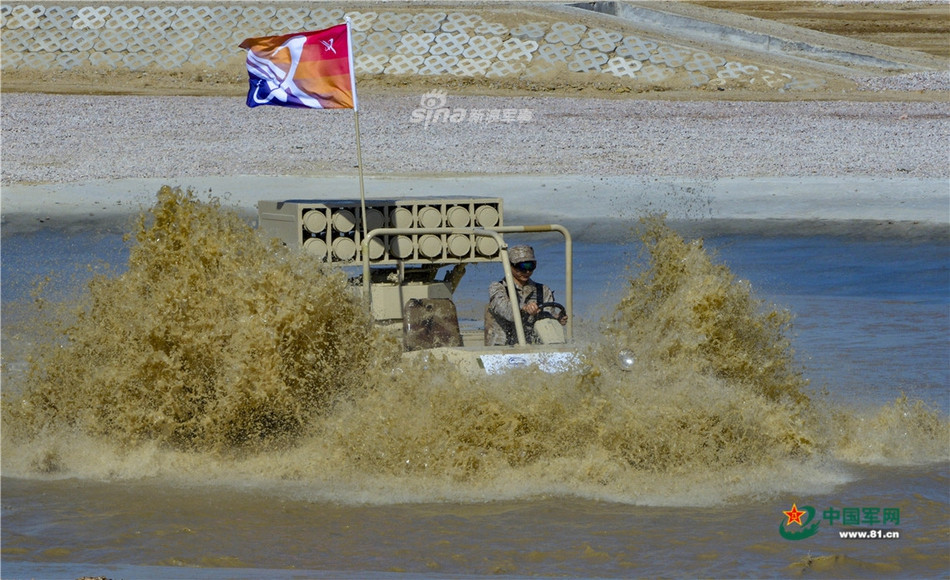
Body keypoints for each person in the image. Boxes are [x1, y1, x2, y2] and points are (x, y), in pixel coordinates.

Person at [485, 245, 568, 346]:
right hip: (502, 346)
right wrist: (524, 308)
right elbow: (505, 310)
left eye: (531, 266)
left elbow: (547, 316)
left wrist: (557, 318)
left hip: (532, 345)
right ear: (509, 265)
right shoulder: (497, 288)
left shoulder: (543, 290)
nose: (527, 271)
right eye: (522, 267)